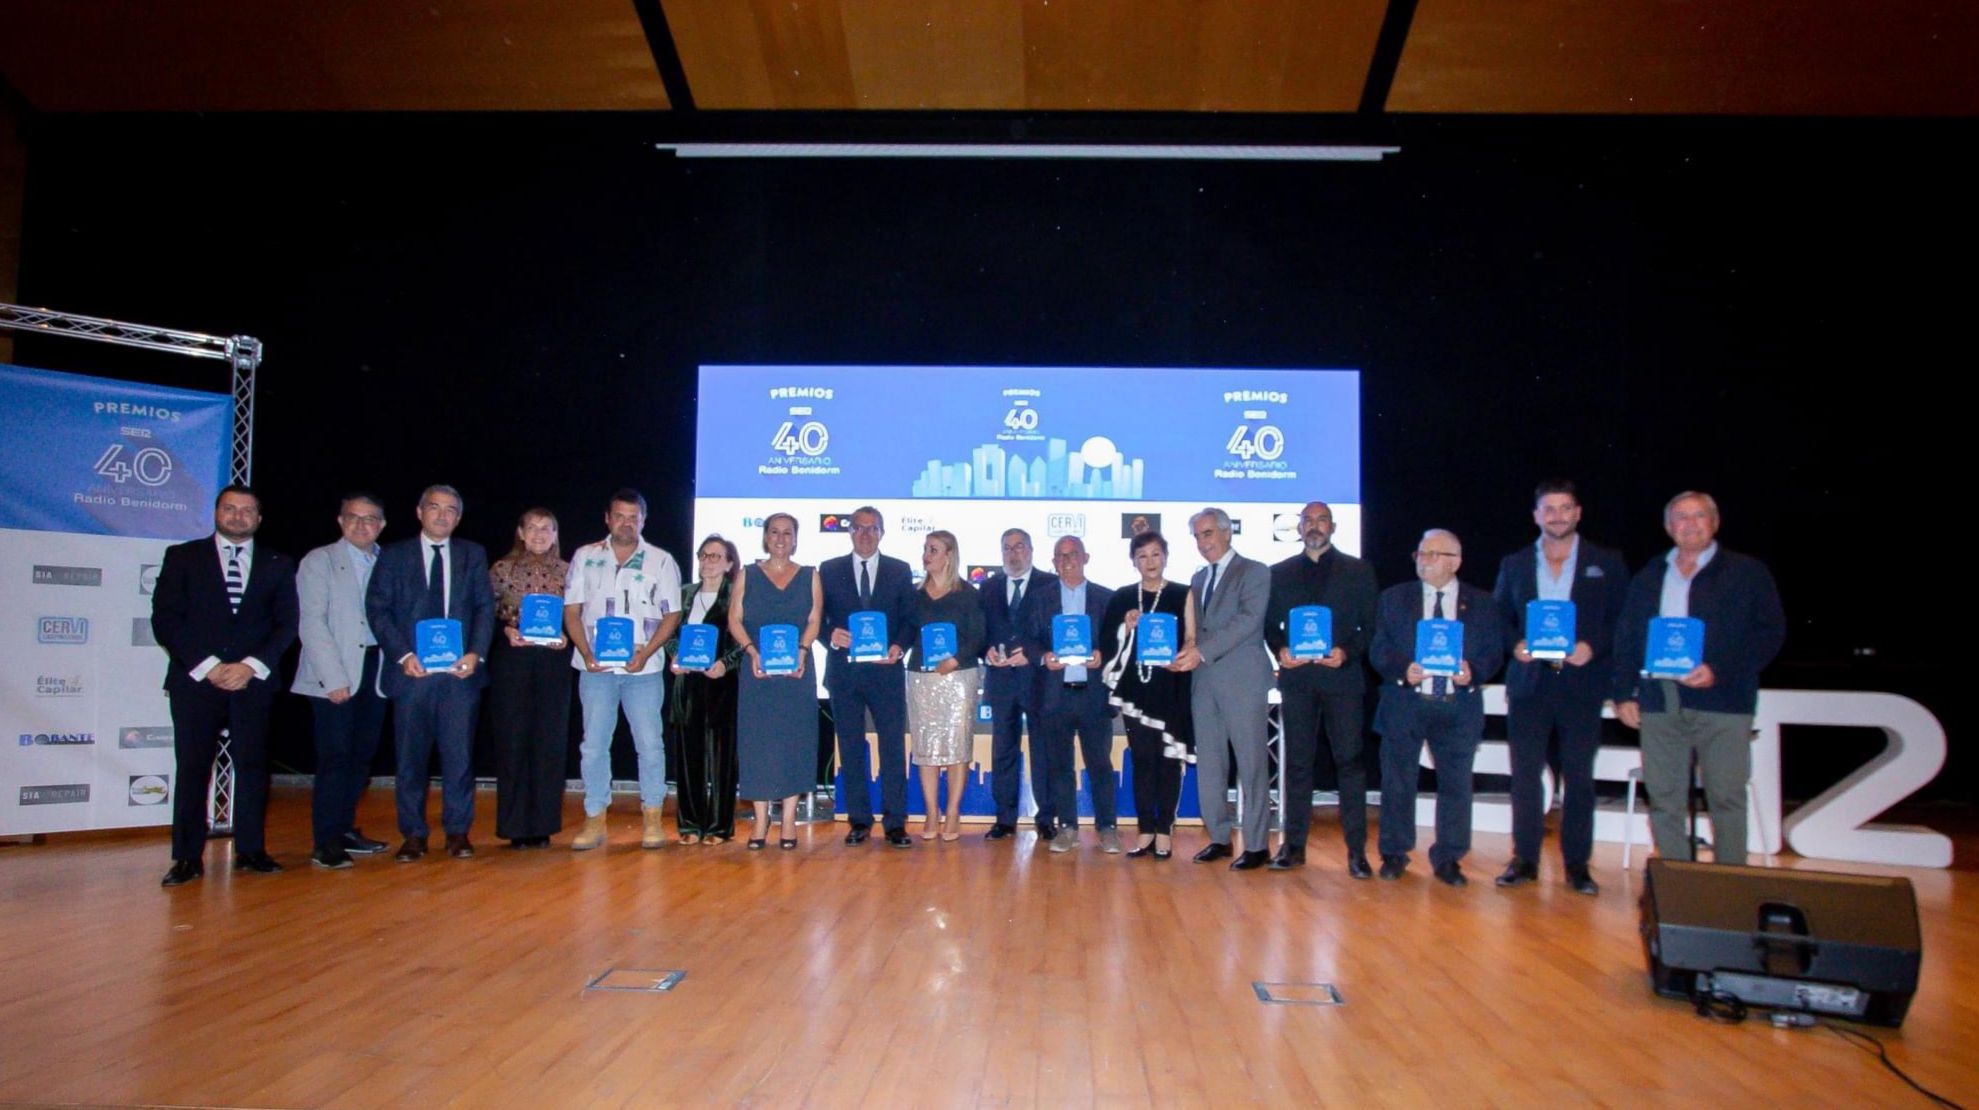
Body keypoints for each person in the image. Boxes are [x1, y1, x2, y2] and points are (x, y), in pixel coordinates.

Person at [1614, 492, 1785, 866]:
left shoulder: (1747, 572)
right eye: (1680, 517)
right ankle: (1676, 886)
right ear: (1667, 527)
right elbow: (1626, 637)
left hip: (1724, 702)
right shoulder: (1649, 575)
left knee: (1726, 797)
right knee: (1664, 798)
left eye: (1699, 516)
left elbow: (1770, 634)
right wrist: (1622, 694)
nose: (1690, 524)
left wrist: (1720, 670)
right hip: (1660, 701)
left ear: (1715, 521)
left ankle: (1730, 889)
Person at [152, 485, 298, 886]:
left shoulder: (277, 563)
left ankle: (251, 850)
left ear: (259, 518)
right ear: (216, 513)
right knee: (194, 767)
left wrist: (251, 666)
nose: (238, 516)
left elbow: (286, 624)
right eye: (230, 509)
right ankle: (186, 857)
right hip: (197, 681)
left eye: (247, 510)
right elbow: (165, 620)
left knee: (252, 767)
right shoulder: (183, 557)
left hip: (253, 682)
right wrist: (211, 666)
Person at [1491, 480, 1628, 895]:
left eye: (1564, 508)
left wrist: (1593, 646)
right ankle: (1525, 859)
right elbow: (1497, 618)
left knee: (1580, 778)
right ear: (1536, 516)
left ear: (1578, 513)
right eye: (1548, 509)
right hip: (1530, 684)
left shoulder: (1606, 562)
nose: (1556, 516)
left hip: (1581, 684)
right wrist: (1514, 644)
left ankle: (1577, 865)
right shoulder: (1514, 564)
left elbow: (1623, 622)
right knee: (1525, 777)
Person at [365, 484, 495, 862]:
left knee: (460, 759)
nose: (442, 515)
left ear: (459, 516)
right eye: (434, 508)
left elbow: (485, 609)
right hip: (412, 675)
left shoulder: (472, 554)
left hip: (460, 676)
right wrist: (403, 654)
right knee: (409, 760)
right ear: (419, 512)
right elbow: (378, 609)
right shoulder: (393, 556)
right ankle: (414, 834)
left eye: (450, 509)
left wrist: (475, 653)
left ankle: (457, 831)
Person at [1370, 529, 1505, 886]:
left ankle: (1449, 857)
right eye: (1420, 553)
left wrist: (1473, 671)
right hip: (1406, 704)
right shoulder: (1393, 599)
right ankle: (1395, 853)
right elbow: (1378, 648)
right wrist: (1403, 669)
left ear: (1455, 562)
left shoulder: (1482, 603)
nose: (1423, 560)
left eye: (1433, 554)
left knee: (1456, 785)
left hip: (1458, 706)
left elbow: (1494, 651)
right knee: (1398, 782)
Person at [1262, 500, 1379, 877]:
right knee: (1297, 765)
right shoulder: (1278, 573)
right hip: (1297, 680)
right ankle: (1293, 847)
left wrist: (1347, 652)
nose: (1314, 526)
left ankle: (1356, 852)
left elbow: (1371, 628)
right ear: (1298, 528)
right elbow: (1268, 625)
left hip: (1342, 680)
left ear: (1332, 526)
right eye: (1308, 520)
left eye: (1321, 519)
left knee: (1351, 764)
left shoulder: (1358, 571)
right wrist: (1279, 649)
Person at [562, 489, 682, 851]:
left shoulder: (660, 561)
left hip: (643, 670)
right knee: (593, 745)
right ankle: (594, 819)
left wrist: (647, 652)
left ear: (643, 520)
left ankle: (652, 819)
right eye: (620, 516)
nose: (626, 523)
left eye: (634, 517)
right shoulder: (585, 556)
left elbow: (672, 614)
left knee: (650, 744)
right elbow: (571, 610)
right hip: (595, 668)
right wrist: (586, 652)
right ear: (607, 518)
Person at [292, 492, 391, 870]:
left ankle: (346, 829)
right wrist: (334, 677)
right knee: (335, 757)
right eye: (354, 517)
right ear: (340, 521)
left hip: (376, 672)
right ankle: (326, 841)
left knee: (361, 756)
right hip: (334, 673)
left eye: (370, 519)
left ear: (381, 525)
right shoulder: (320, 561)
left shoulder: (388, 560)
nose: (362, 525)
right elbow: (311, 622)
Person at [1177, 507, 1274, 870]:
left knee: (1251, 764)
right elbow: (1194, 629)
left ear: (1226, 533)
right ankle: (1218, 837)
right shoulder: (1198, 578)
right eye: (1198, 536)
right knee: (1212, 765)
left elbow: (1248, 621)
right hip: (1204, 683)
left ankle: (1257, 844)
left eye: (1208, 534)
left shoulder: (1255, 571)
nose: (1203, 543)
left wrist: (1200, 651)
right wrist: (1185, 649)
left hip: (1243, 682)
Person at [817, 506, 915, 848]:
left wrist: (899, 646)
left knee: (891, 746)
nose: (865, 534)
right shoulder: (828, 570)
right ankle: (859, 820)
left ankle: (895, 822)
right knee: (851, 747)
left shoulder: (899, 570)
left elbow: (909, 619)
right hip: (844, 672)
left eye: (872, 528)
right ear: (849, 532)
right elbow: (817, 618)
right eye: (858, 528)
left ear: (882, 533)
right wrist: (830, 634)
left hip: (886, 674)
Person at [728, 512, 824, 850]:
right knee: (758, 742)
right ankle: (760, 820)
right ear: (765, 537)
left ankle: (787, 821)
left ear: (795, 539)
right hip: (757, 672)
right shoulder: (747, 574)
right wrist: (752, 651)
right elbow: (734, 619)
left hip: (797, 671)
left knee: (794, 740)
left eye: (787, 533)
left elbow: (814, 620)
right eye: (774, 532)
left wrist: (802, 650)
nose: (781, 538)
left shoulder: (810, 575)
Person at [1098, 530, 1196, 859]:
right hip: (1135, 691)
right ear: (1133, 562)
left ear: (1165, 556)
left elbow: (1192, 640)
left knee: (1169, 760)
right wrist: (1125, 627)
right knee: (1142, 760)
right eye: (1142, 556)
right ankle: (1144, 830)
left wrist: (1180, 658)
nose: (1150, 562)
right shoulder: (1122, 597)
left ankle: (1165, 829)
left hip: (1172, 687)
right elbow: (1106, 643)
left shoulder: (1184, 593)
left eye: (1155, 554)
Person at [487, 507, 573, 850]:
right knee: (513, 740)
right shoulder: (500, 569)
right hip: (513, 661)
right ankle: (514, 826)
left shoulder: (569, 572)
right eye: (532, 528)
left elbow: (578, 615)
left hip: (553, 662)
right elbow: (482, 615)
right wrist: (504, 631)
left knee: (549, 743)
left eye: (547, 528)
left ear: (555, 534)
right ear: (520, 532)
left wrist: (569, 635)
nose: (539, 534)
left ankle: (543, 825)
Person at [896, 530, 987, 842]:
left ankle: (953, 812)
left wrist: (955, 659)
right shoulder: (915, 594)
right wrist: (896, 646)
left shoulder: (969, 594)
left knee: (956, 746)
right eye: (925, 549)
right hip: (922, 677)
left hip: (958, 678)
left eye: (933, 549)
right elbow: (908, 631)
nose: (927, 554)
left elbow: (977, 636)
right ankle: (932, 812)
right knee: (926, 747)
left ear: (949, 555)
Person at [1034, 536, 1119, 853]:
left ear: (1086, 557)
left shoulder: (1106, 598)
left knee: (1100, 764)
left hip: (1093, 694)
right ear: (1053, 561)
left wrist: (1103, 653)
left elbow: (1118, 644)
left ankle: (1107, 828)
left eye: (1073, 554)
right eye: (1060, 555)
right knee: (1059, 766)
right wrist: (1044, 656)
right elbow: (1029, 640)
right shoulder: (1040, 598)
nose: (1067, 560)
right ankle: (1067, 827)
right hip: (1055, 695)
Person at [980, 528, 1056, 841]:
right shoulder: (987, 587)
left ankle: (1047, 817)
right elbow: (978, 631)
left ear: (1031, 550)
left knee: (1043, 751)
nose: (1014, 553)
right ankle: (1005, 818)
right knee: (1003, 751)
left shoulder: (1050, 584)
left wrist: (1034, 655)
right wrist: (983, 651)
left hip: (1038, 680)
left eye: (1020, 547)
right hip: (1000, 681)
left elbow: (1057, 631)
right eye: (1007, 548)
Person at [667, 534, 743, 845]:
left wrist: (727, 663)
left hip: (721, 684)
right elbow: (669, 634)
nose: (708, 561)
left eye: (716, 556)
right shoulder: (683, 595)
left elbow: (743, 641)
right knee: (688, 759)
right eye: (704, 555)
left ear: (728, 564)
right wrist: (673, 655)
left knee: (722, 761)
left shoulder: (736, 597)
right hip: (688, 685)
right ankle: (689, 824)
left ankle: (719, 827)